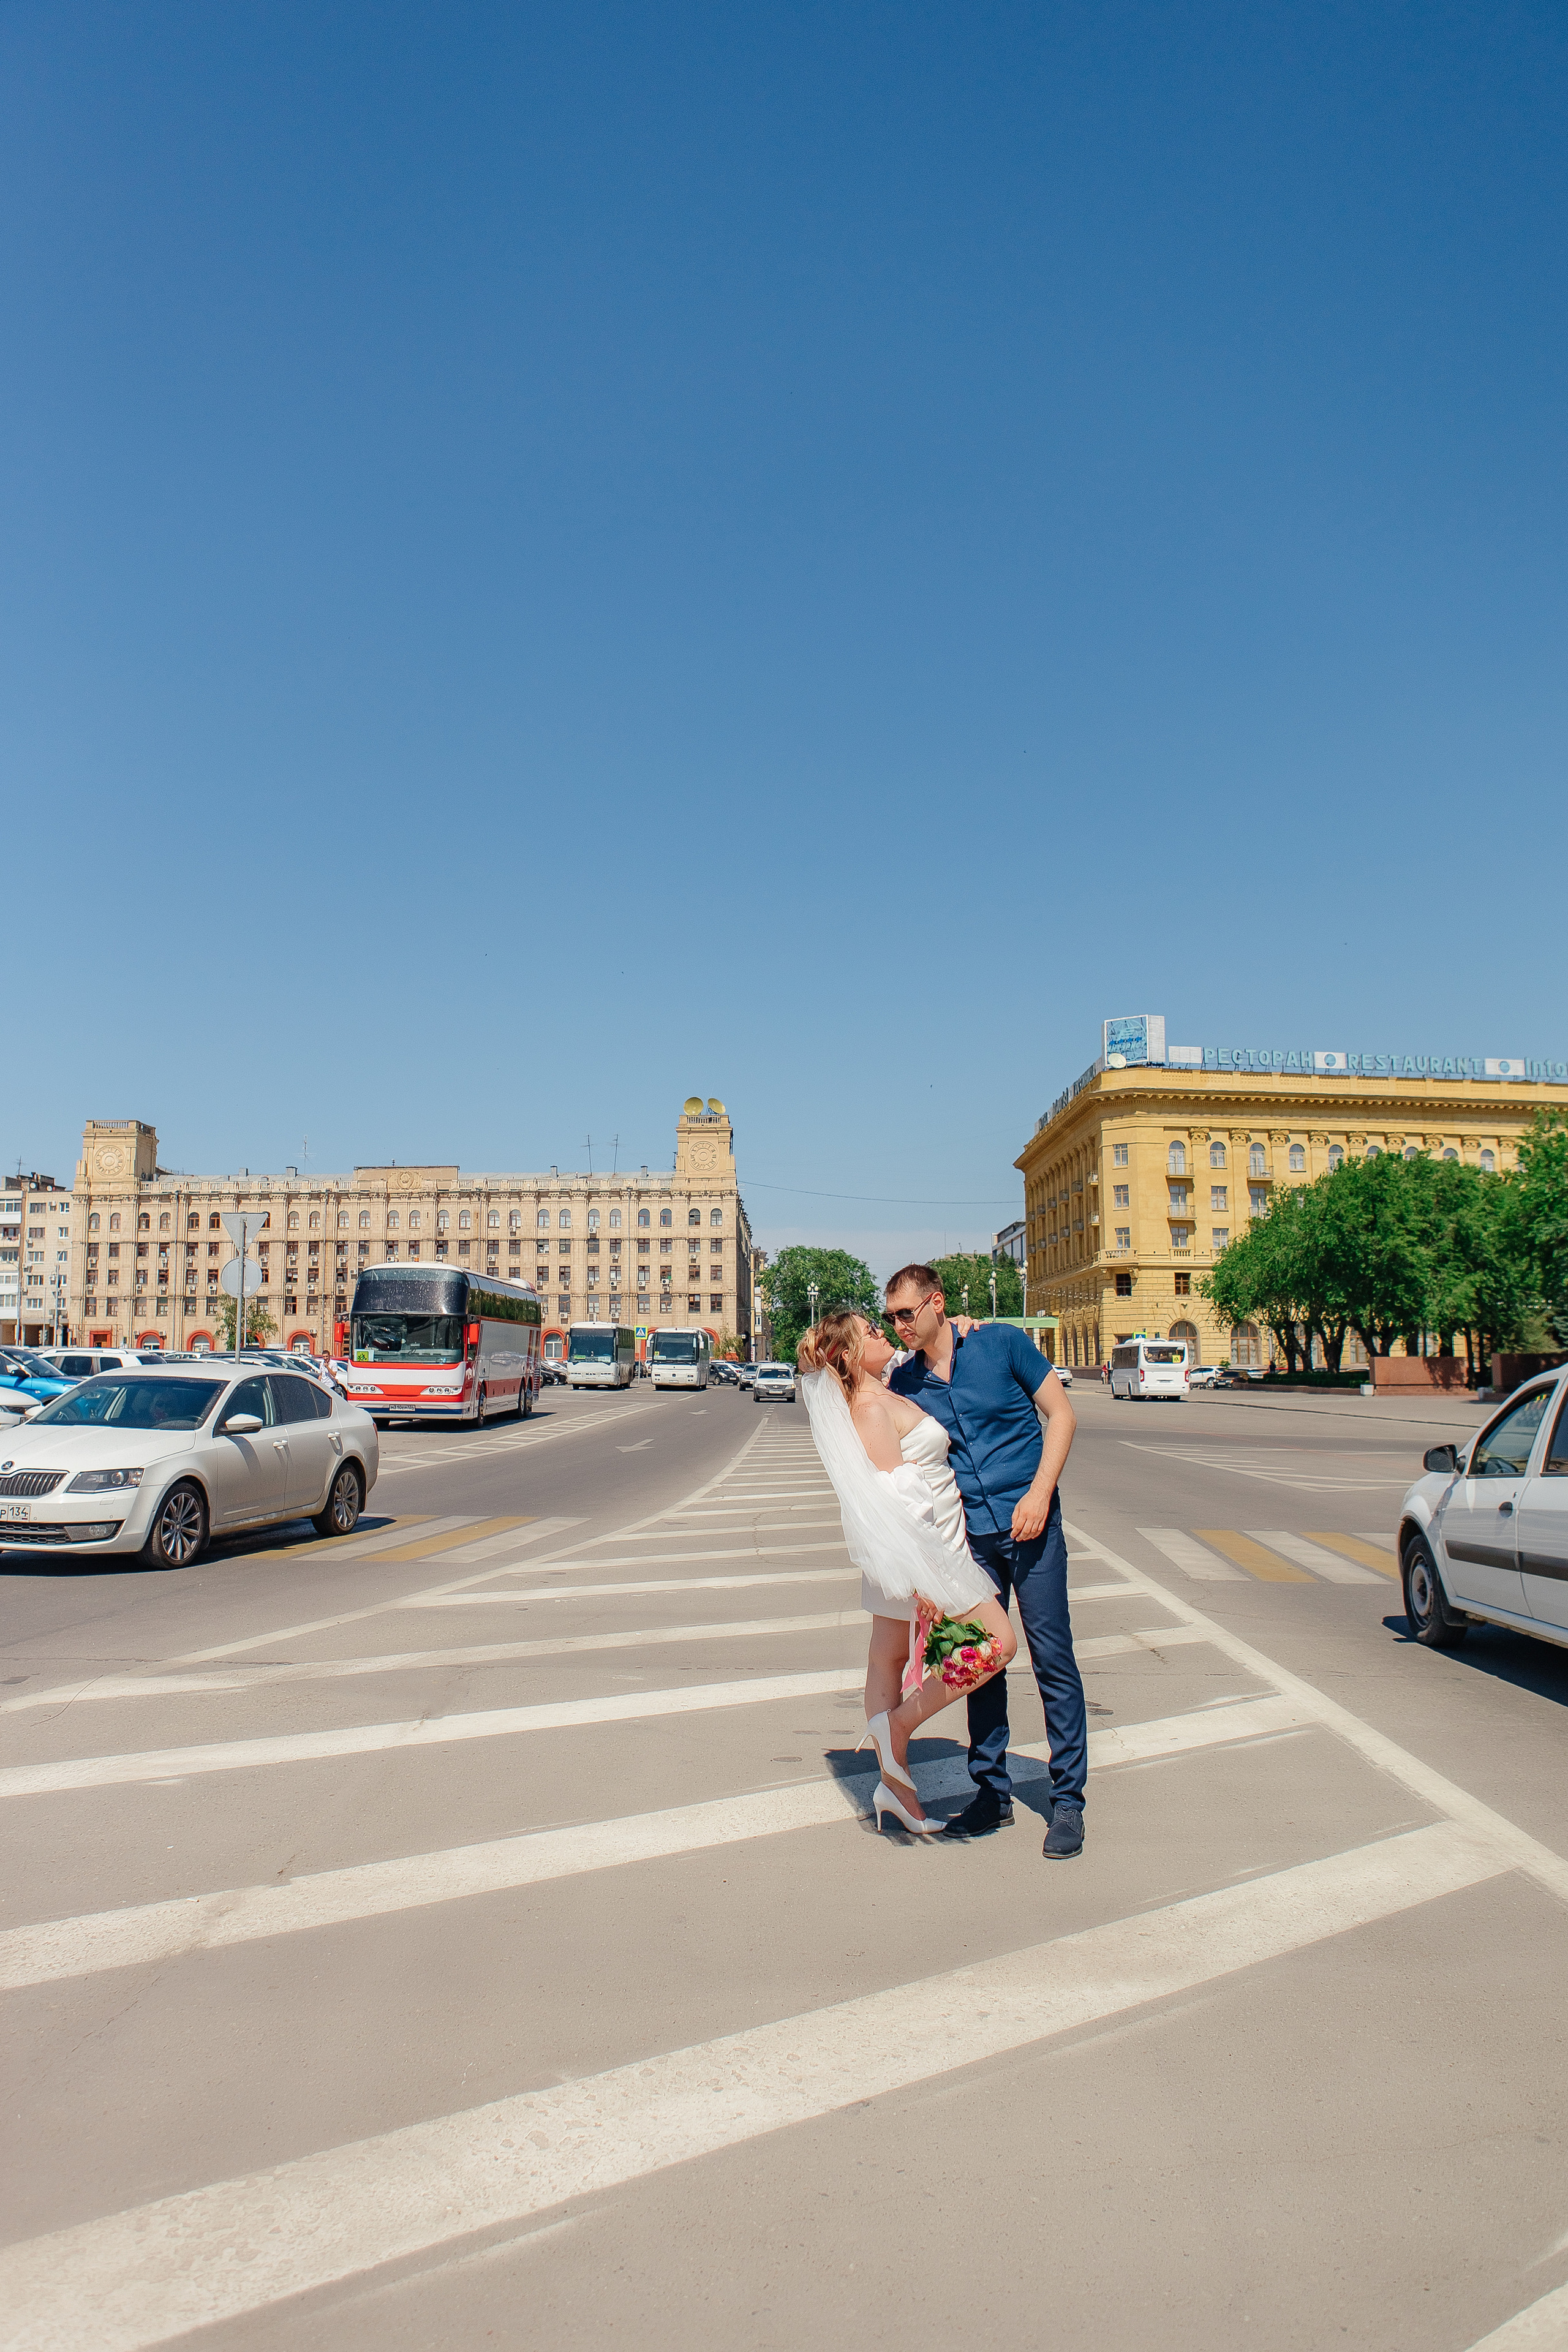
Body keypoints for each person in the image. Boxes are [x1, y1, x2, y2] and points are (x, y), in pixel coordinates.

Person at [885, 1263, 1087, 1858]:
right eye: (890, 1316)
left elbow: (1063, 1416)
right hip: (969, 1542)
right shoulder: (908, 1386)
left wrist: (1040, 1491)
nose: (898, 1325)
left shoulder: (1001, 1343)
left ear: (936, 1303)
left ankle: (1068, 1801)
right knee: (980, 1662)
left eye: (906, 1313)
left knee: (1053, 1658)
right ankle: (990, 1793)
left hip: (1032, 1523)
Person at [797, 1311, 1017, 1835]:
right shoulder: (871, 1407)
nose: (882, 1332)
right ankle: (897, 1728)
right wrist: (926, 1579)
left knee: (888, 1656)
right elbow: (897, 1500)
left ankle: (897, 1794)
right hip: (924, 1552)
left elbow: (932, 1343)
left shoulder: (885, 1385)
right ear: (848, 1356)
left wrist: (958, 1322)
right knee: (999, 1644)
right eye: (870, 1331)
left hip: (905, 1554)